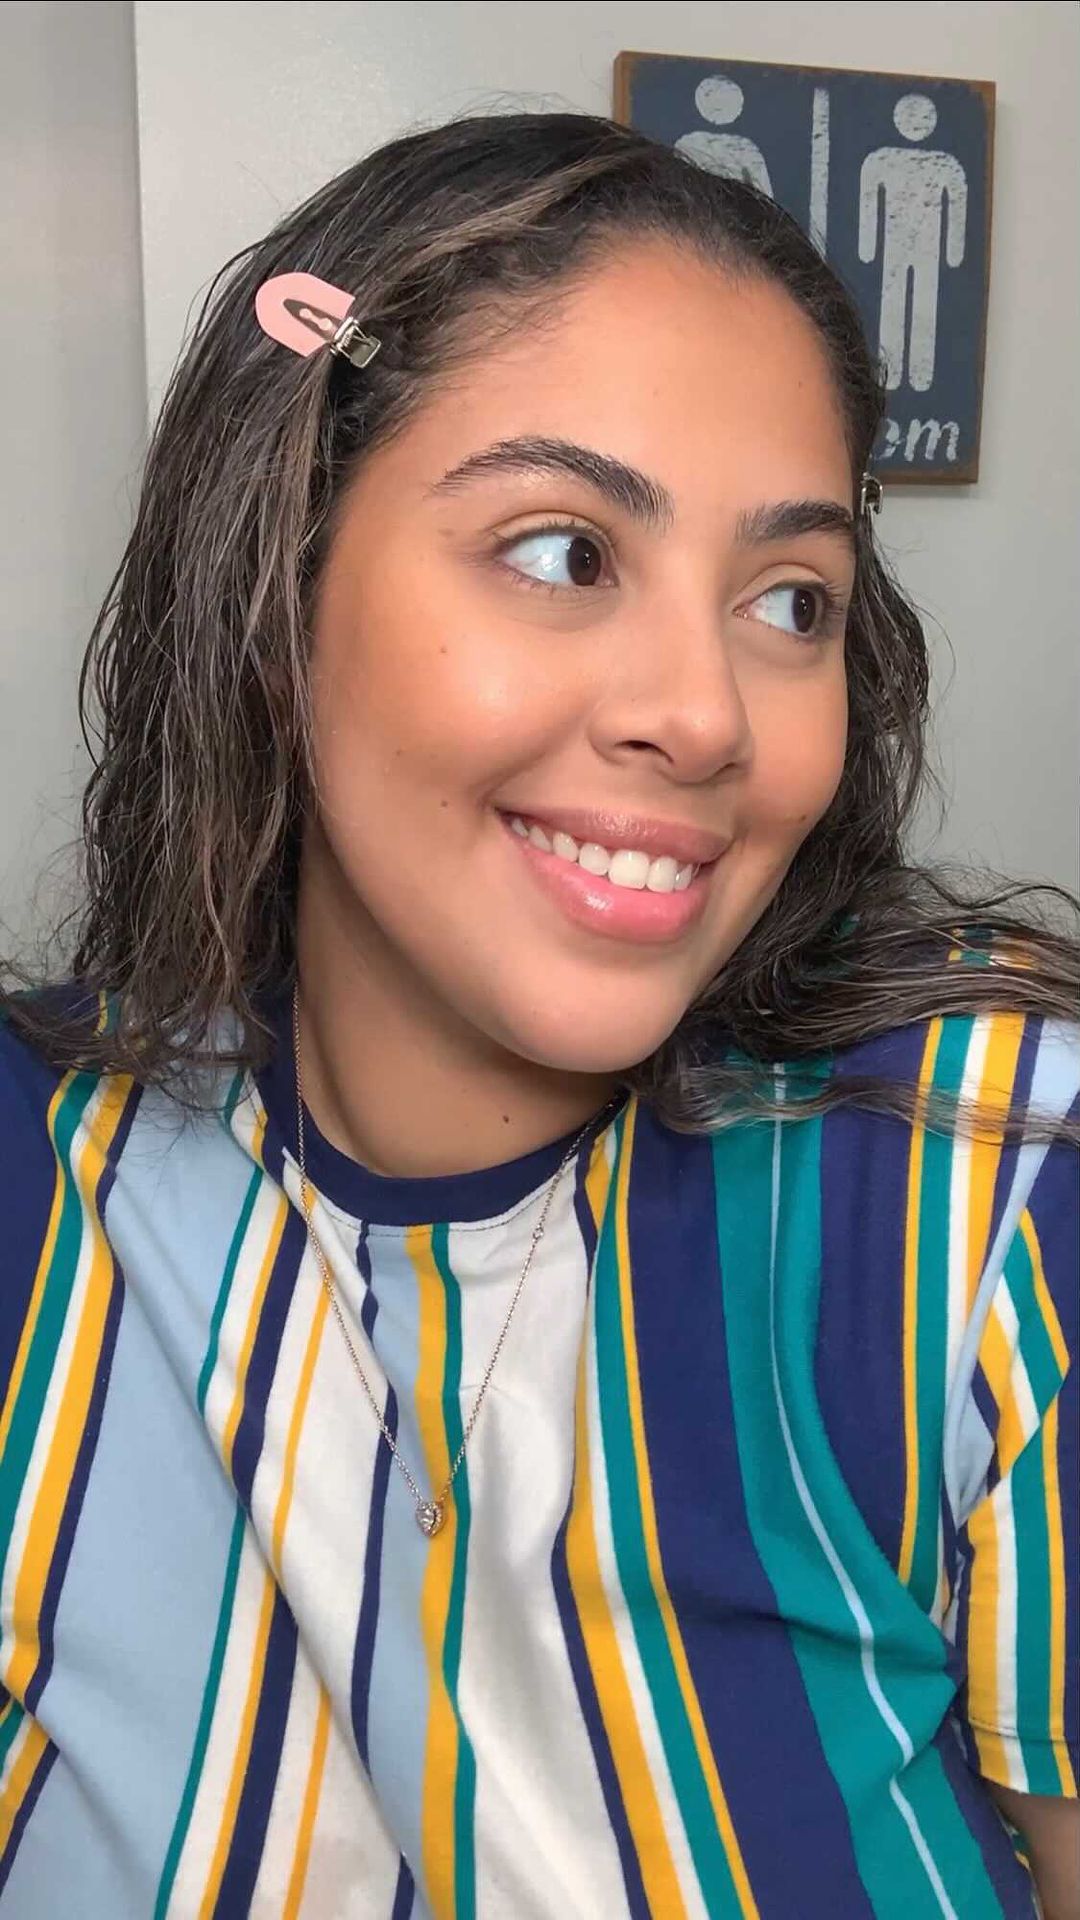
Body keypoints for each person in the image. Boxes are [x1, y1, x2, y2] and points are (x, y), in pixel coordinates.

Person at [0, 110, 1076, 1920]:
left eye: (790, 600)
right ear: (275, 593)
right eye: (565, 553)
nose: (707, 715)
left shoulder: (995, 1180)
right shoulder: (40, 1183)